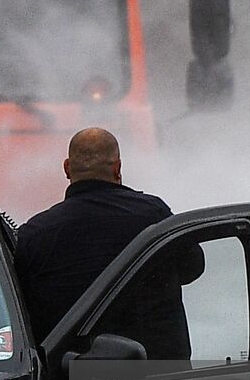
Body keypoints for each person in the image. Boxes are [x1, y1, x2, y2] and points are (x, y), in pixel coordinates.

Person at [14, 127, 203, 358]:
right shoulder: (154, 216)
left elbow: (17, 305)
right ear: (118, 168)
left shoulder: (34, 235)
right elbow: (193, 268)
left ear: (66, 168)